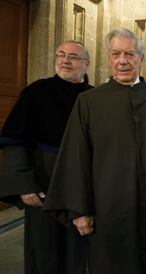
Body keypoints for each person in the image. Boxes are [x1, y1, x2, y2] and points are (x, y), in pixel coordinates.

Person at [43, 28, 146, 274]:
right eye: (116, 54)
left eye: (130, 54)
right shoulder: (89, 102)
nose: (122, 61)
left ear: (141, 59)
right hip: (108, 211)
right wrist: (80, 210)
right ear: (109, 58)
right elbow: (76, 158)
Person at [0, 40, 92, 274]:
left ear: (87, 64)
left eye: (72, 56)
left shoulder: (95, 98)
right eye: (60, 55)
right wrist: (24, 184)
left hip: (80, 190)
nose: (64, 60)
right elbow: (13, 141)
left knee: (78, 251)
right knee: (44, 253)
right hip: (43, 187)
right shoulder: (35, 92)